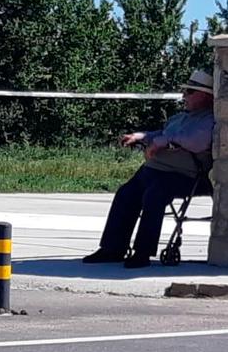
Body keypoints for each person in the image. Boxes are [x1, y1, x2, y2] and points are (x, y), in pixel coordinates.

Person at [83, 69, 216, 269]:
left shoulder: (209, 120)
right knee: (125, 193)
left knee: (154, 196)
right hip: (154, 170)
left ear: (205, 96)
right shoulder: (179, 118)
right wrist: (140, 136)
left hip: (184, 176)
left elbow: (195, 141)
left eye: (189, 92)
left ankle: (142, 252)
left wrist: (160, 143)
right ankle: (113, 249)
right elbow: (162, 133)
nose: (184, 96)